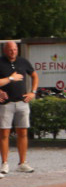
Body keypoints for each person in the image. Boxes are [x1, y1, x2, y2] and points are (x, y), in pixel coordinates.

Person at [0, 40, 38, 174]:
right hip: (5, 104)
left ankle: (22, 162)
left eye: (15, 49)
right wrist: (9, 79)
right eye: (10, 50)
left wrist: (33, 92)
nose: (13, 52)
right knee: (4, 133)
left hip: (22, 102)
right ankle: (4, 163)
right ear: (5, 50)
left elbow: (34, 75)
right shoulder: (0, 62)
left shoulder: (23, 62)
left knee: (23, 133)